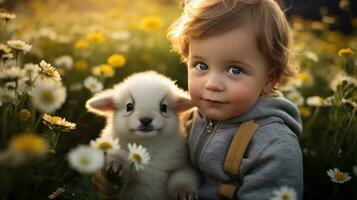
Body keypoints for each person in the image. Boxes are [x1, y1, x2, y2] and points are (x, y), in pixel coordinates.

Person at [166, 0, 303, 199]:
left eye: (235, 70)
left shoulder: (273, 145)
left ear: (269, 78)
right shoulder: (189, 117)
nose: (212, 84)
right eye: (201, 66)